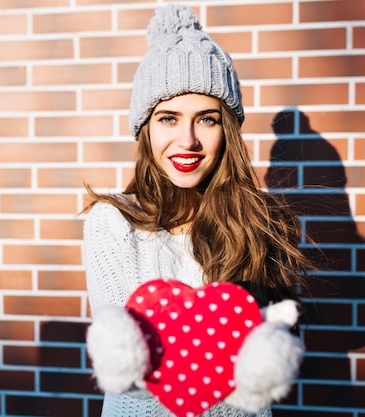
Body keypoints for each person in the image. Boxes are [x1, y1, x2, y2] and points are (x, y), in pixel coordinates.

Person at [83, 4, 312, 416]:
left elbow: (280, 353)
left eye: (206, 120)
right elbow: (124, 370)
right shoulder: (113, 225)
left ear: (227, 131)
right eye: (168, 118)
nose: (187, 140)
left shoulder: (260, 222)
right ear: (146, 128)